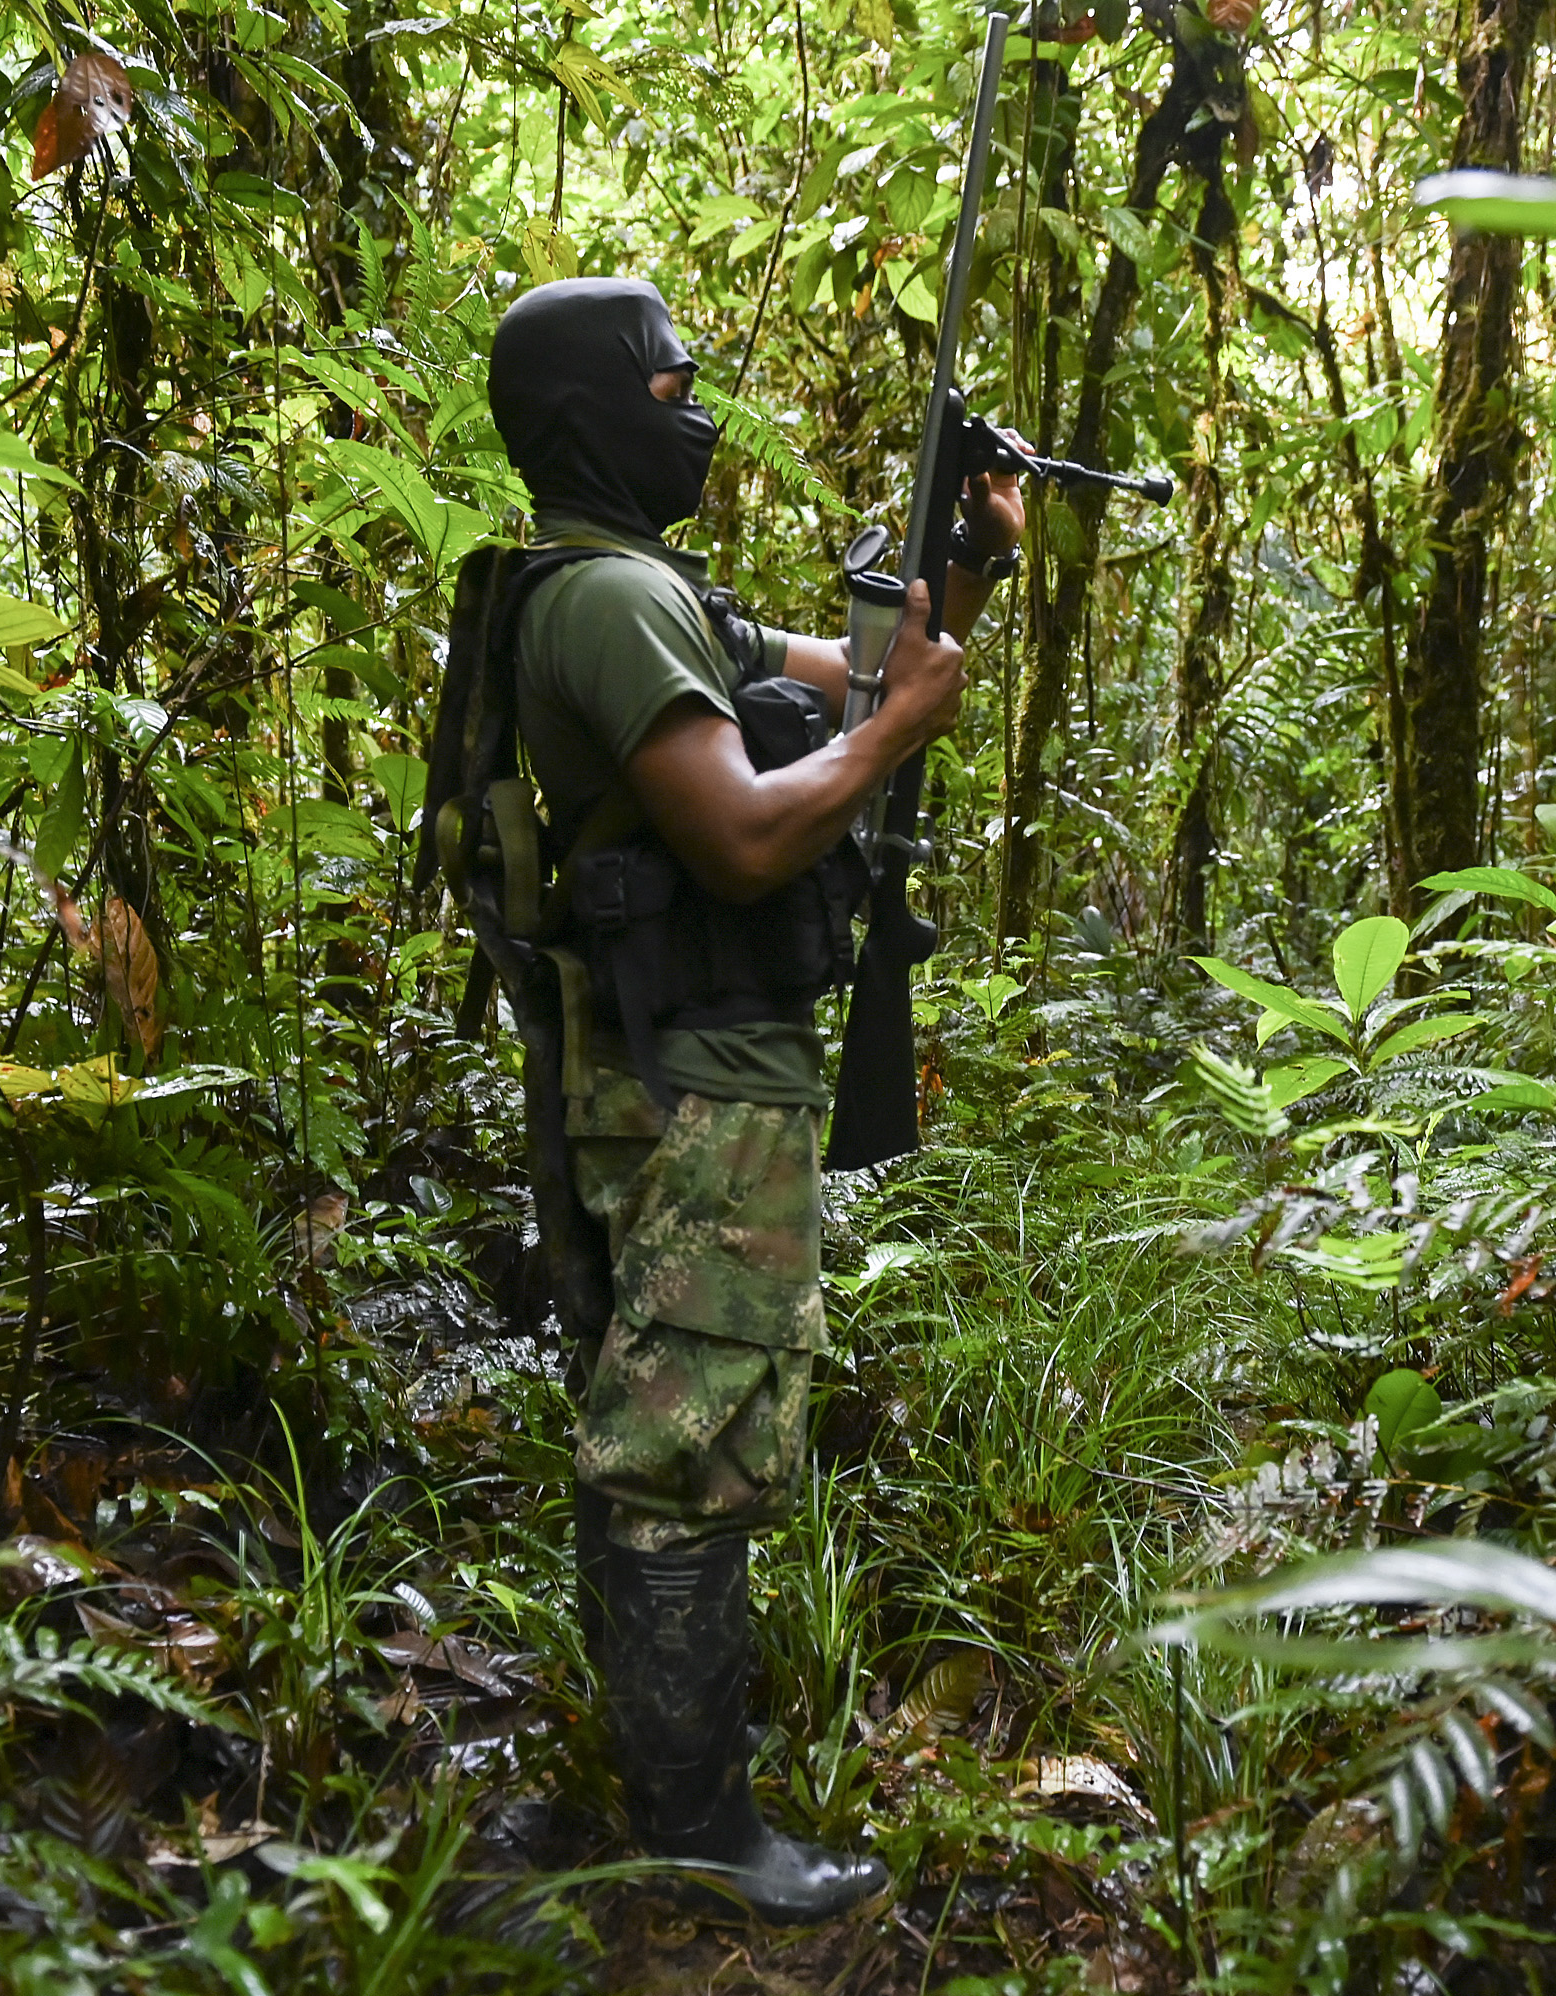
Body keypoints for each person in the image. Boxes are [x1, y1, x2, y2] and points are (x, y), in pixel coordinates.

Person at [478, 275, 1025, 1924]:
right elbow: (743, 832)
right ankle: (699, 1834)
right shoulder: (608, 601)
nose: (696, 416)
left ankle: (673, 1800)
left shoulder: (641, 592)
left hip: (677, 1071)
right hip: (686, 1082)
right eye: (669, 391)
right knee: (687, 1446)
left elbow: (862, 686)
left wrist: (962, 564)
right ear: (592, 412)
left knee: (667, 1437)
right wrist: (895, 727)